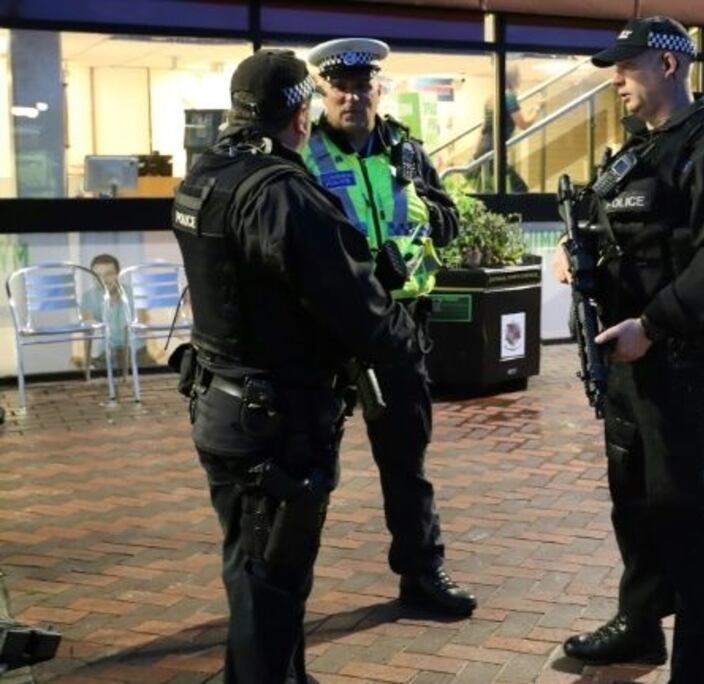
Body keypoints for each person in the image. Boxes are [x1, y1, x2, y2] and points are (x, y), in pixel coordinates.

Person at [171, 49, 421, 683]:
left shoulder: (205, 177)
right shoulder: (284, 194)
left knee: (251, 570)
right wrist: (401, 339)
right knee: (272, 580)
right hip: (276, 422)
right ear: (301, 115)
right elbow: (360, 312)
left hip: (221, 405)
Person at [551, 16, 704, 684]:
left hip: (676, 361)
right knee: (633, 502)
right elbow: (618, 238)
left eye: (628, 67)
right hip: (623, 360)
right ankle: (638, 629)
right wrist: (575, 258)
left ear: (668, 65)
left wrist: (653, 325)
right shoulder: (636, 149)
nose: (617, 81)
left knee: (686, 517)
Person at [302, 38, 475, 617]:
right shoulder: (300, 154)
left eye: (362, 86)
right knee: (305, 463)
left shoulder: (405, 149)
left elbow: (446, 221)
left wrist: (423, 218)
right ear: (322, 92)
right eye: (340, 87)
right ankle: (285, 587)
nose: (352, 97)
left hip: (398, 326)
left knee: (406, 461)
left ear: (378, 89)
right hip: (324, 331)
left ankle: (422, 574)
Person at [79, 253, 156, 371]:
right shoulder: (88, 297)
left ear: (118, 275)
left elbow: (142, 326)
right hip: (108, 353)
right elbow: (88, 331)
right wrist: (86, 362)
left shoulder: (135, 293)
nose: (103, 280)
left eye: (109, 274)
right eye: (98, 276)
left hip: (135, 350)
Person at [474, 64, 536, 192]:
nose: (521, 79)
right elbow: (524, 124)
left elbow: (483, 128)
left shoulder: (492, 97)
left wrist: (476, 153)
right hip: (494, 150)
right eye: (519, 76)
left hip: (485, 149)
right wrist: (537, 108)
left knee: (493, 189)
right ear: (513, 78)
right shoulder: (509, 96)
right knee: (520, 188)